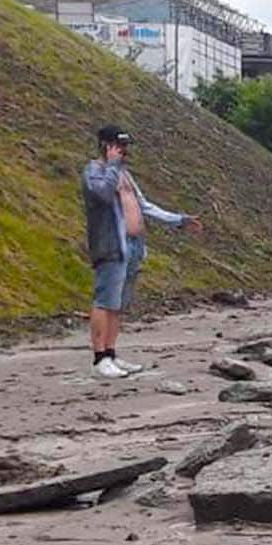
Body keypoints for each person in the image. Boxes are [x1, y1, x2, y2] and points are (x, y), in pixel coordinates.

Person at [82, 125, 203, 380]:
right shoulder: (95, 170)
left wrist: (178, 220)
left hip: (134, 245)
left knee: (119, 304)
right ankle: (99, 357)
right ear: (105, 145)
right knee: (105, 301)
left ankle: (111, 353)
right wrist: (113, 166)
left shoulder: (125, 174)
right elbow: (102, 195)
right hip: (112, 244)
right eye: (119, 146)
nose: (124, 151)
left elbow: (143, 205)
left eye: (125, 146)